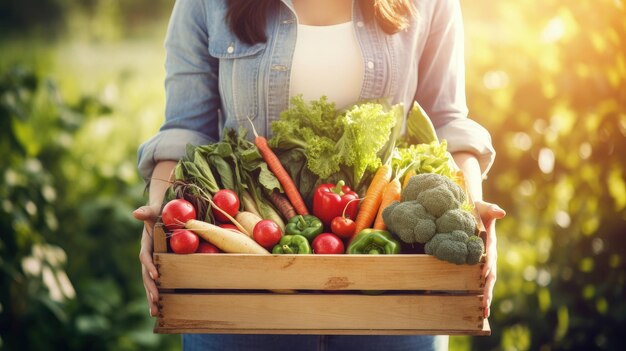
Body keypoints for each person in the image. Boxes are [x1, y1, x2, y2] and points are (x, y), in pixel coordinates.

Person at [133, 0, 506, 349]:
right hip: (242, 294)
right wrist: (159, 209)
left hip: (394, 291)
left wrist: (472, 206)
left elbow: (447, 121)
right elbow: (185, 129)